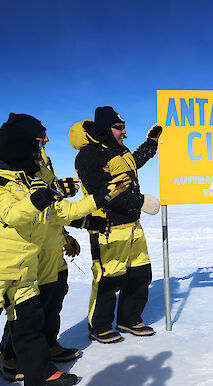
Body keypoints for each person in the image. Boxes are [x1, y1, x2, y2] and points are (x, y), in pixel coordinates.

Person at [0, 113, 129, 385]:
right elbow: (15, 213)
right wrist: (51, 195)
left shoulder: (33, 168)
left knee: (40, 308)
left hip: (37, 250)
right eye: (40, 136)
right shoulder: (10, 173)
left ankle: (41, 365)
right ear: (22, 141)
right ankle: (11, 358)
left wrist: (98, 201)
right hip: (13, 258)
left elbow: (56, 210)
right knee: (26, 314)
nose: (46, 140)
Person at [70, 106, 162, 343]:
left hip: (132, 226)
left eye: (123, 127)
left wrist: (151, 143)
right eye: (118, 127)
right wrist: (141, 201)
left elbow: (134, 163)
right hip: (107, 228)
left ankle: (129, 319)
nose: (123, 132)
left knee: (140, 274)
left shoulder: (120, 150)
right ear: (105, 128)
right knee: (108, 279)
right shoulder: (89, 155)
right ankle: (99, 326)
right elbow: (103, 193)